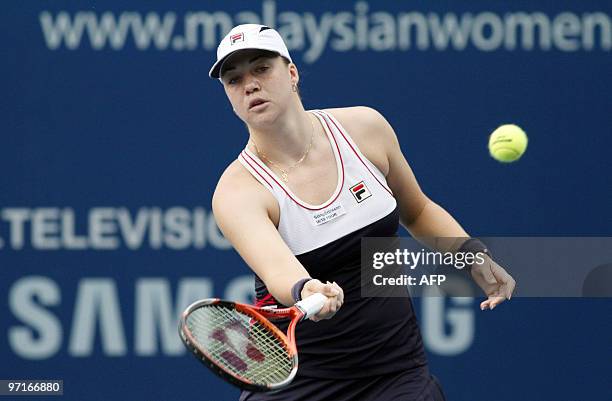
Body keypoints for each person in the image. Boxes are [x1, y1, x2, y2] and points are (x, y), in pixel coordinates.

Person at [210, 24, 516, 401]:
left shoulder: (364, 129)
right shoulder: (237, 190)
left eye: (261, 69)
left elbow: (417, 211)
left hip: (397, 373)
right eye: (233, 79)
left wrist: (472, 255)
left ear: (291, 73)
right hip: (301, 385)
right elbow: (278, 272)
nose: (249, 85)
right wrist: (307, 289)